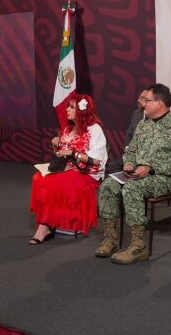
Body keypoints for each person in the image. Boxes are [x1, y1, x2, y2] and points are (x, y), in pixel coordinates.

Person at [96, 83, 171, 264]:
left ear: (159, 103)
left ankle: (139, 246)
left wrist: (152, 168)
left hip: (164, 178)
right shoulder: (142, 125)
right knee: (108, 185)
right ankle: (110, 238)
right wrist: (129, 163)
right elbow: (130, 150)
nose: (143, 104)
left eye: (147, 100)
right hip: (137, 174)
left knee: (132, 189)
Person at [29, 94, 107, 244]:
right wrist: (56, 145)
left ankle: (44, 226)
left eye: (71, 107)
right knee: (38, 178)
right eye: (68, 106)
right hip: (67, 168)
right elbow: (61, 154)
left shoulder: (94, 130)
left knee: (53, 182)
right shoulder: (68, 128)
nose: (67, 110)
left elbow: (97, 161)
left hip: (87, 172)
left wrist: (73, 153)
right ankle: (49, 220)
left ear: (81, 110)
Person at [105, 88, 148, 174]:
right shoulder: (137, 114)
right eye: (139, 97)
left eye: (142, 98)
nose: (138, 100)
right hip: (132, 153)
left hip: (145, 157)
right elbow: (129, 134)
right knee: (113, 165)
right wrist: (128, 150)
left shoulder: (155, 119)